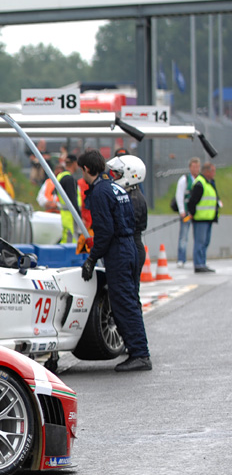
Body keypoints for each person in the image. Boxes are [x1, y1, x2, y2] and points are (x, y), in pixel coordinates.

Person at [78, 150, 150, 372]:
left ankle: (140, 354)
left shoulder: (100, 192)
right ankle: (137, 351)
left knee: (124, 304)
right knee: (128, 301)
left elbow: (105, 231)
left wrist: (91, 258)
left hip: (118, 251)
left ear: (87, 169)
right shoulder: (116, 188)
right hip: (129, 246)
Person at [106, 155, 149, 293]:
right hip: (131, 246)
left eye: (118, 174)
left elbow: (125, 226)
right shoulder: (128, 194)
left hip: (132, 247)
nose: (114, 177)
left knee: (129, 292)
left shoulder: (134, 199)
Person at [187, 161, 221, 273]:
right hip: (200, 218)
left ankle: (202, 262)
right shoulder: (200, 183)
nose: (214, 173)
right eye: (213, 171)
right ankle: (198, 264)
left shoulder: (209, 183)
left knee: (205, 242)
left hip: (208, 218)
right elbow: (192, 201)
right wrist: (192, 213)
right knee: (200, 242)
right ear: (207, 171)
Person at [173, 157, 201, 267]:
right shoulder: (184, 179)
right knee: (183, 237)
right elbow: (179, 195)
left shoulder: (200, 179)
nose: (196, 169)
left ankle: (197, 260)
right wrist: (182, 211)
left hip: (197, 213)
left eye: (197, 167)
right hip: (186, 212)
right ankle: (181, 259)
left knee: (198, 238)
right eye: (194, 167)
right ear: (190, 168)